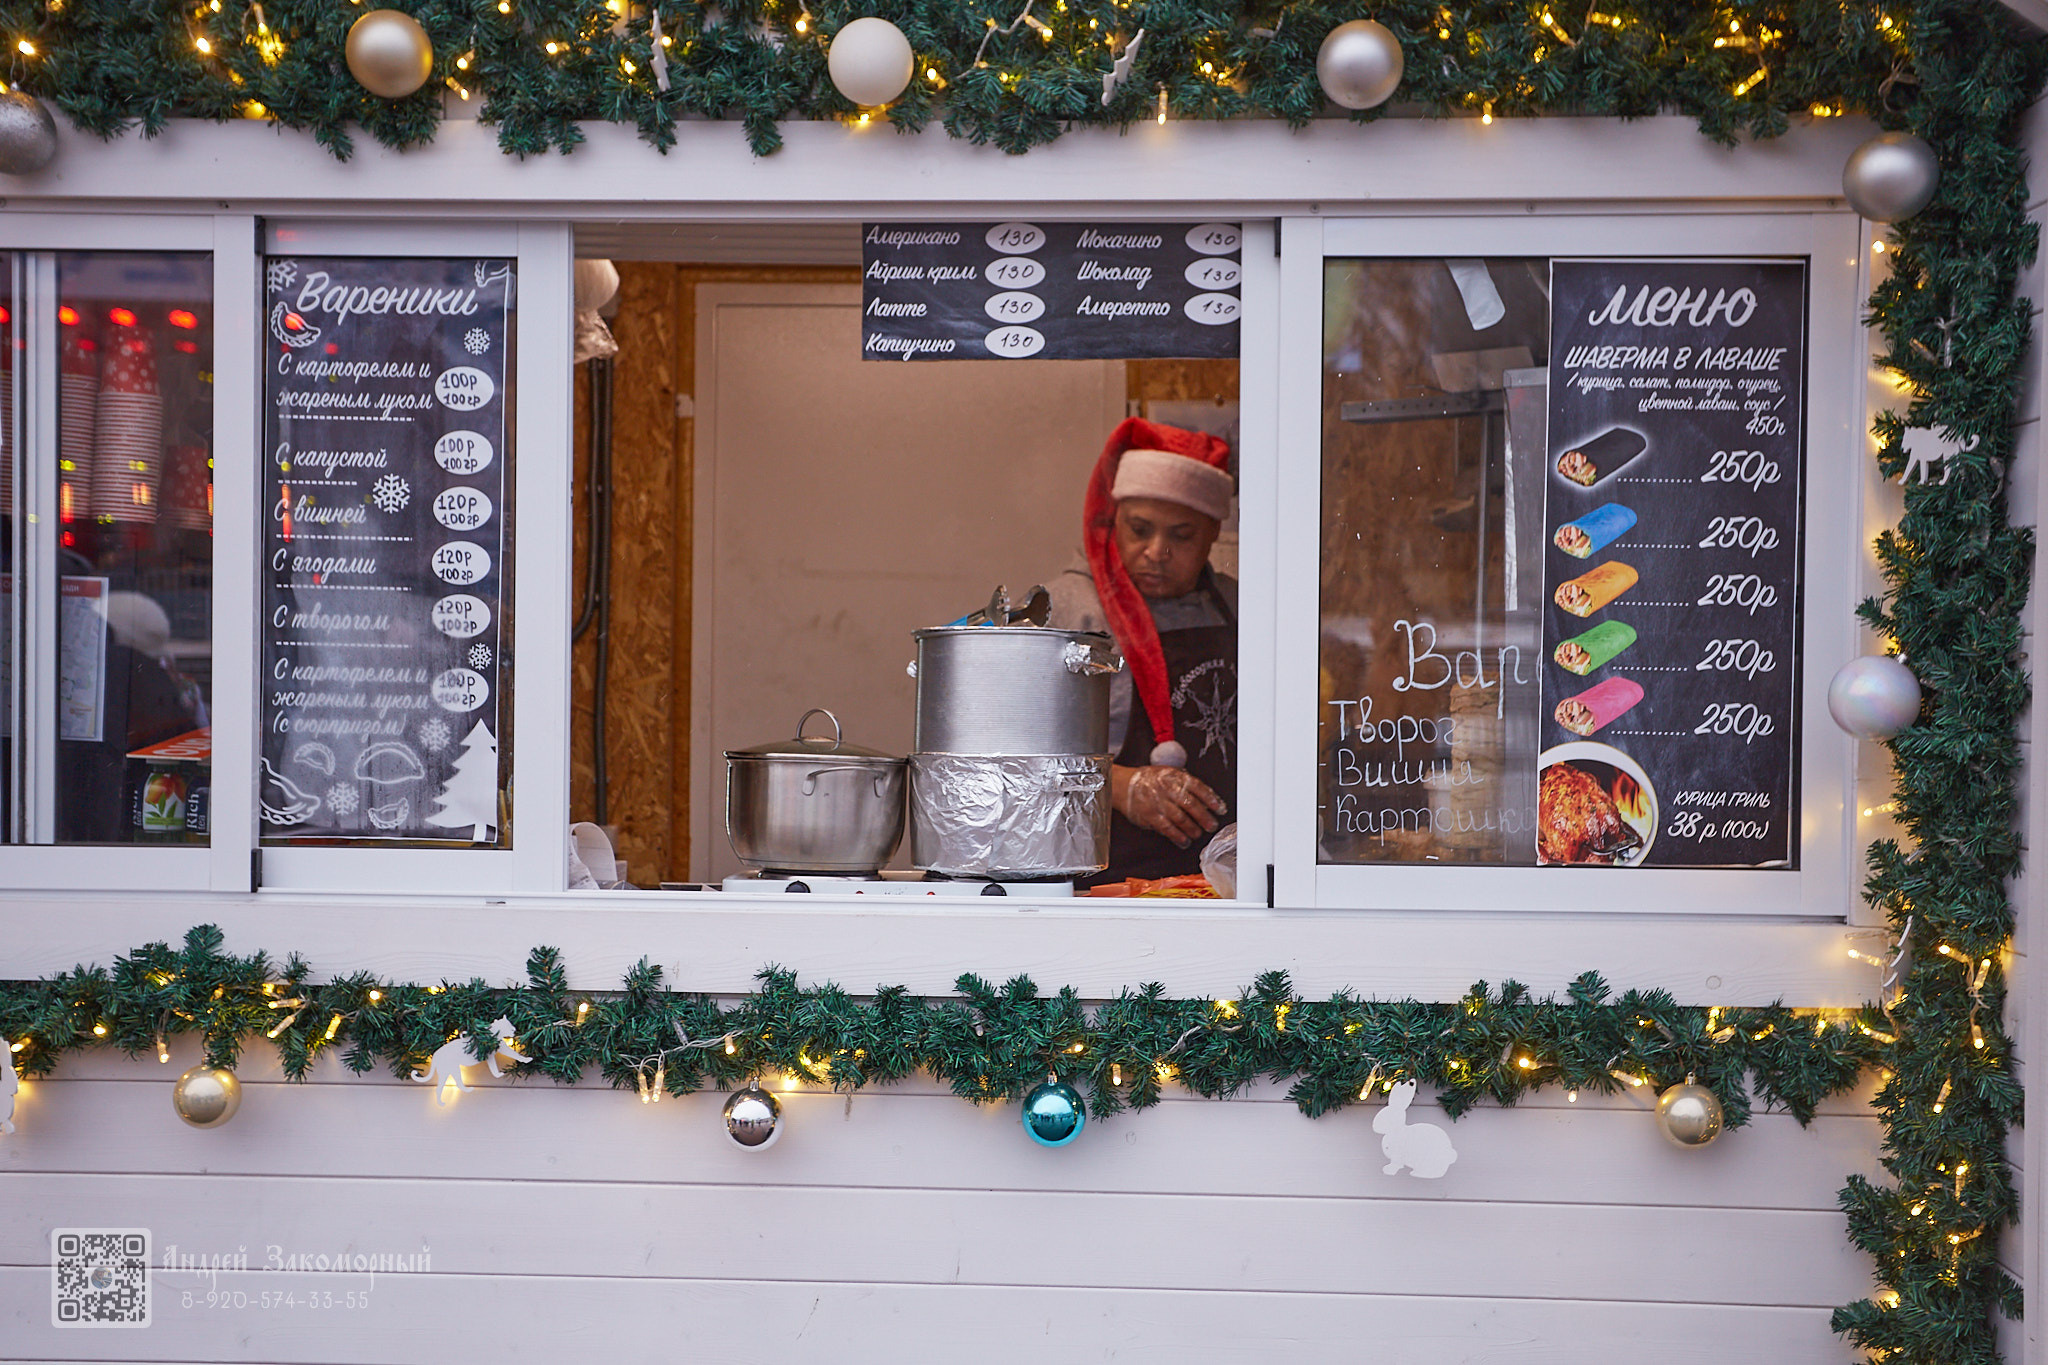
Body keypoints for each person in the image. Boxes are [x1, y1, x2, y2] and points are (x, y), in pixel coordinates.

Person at [1047, 418, 1235, 886]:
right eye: (1140, 529)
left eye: (1182, 535)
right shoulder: (1068, 609)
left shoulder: (1238, 606)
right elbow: (1015, 753)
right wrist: (1122, 787)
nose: (1157, 551)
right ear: (1113, 523)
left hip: (1219, 880)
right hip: (1104, 878)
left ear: (1213, 532)